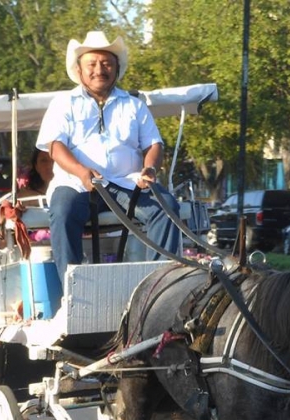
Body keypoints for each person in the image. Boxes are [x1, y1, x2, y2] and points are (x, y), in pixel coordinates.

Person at [36, 31, 182, 283]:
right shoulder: (63, 103)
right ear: (79, 70)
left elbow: (153, 144)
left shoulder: (134, 105)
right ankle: (72, 291)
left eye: (106, 63)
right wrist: (81, 171)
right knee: (62, 211)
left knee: (166, 207)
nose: (99, 69)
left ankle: (160, 288)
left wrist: (150, 169)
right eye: (91, 64)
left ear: (116, 69)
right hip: (76, 184)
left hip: (127, 182)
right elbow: (56, 147)